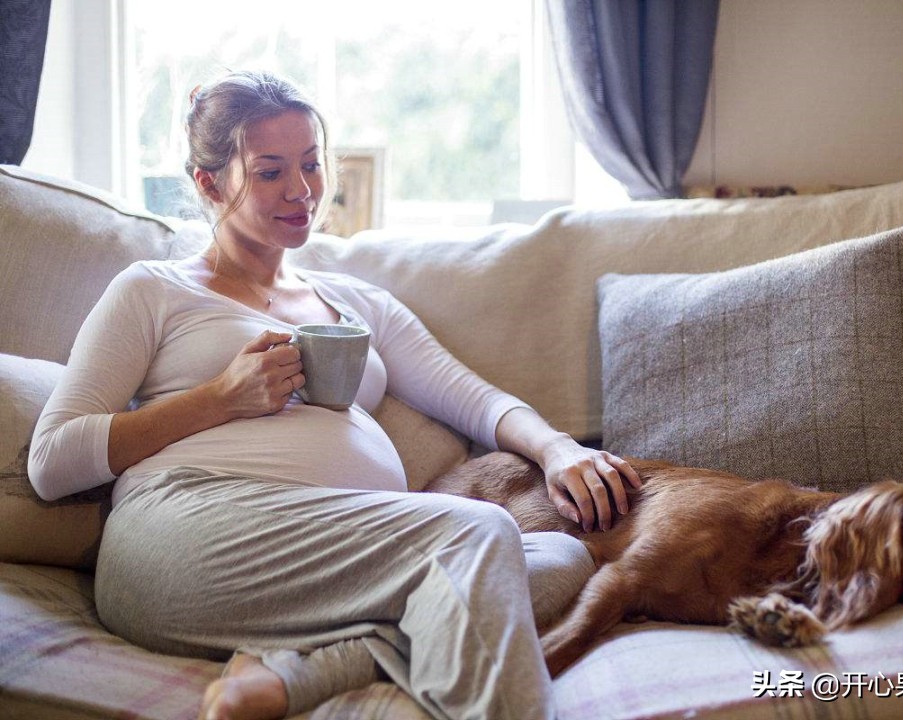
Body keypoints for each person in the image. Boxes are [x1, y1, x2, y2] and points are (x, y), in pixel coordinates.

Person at [28, 69, 640, 720]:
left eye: (312, 164)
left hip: (339, 559)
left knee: (561, 557)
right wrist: (219, 398)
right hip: (184, 534)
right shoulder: (153, 290)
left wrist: (557, 449)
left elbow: (474, 399)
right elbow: (52, 460)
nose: (302, 191)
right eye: (270, 172)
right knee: (479, 537)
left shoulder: (356, 302)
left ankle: (299, 674)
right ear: (210, 184)